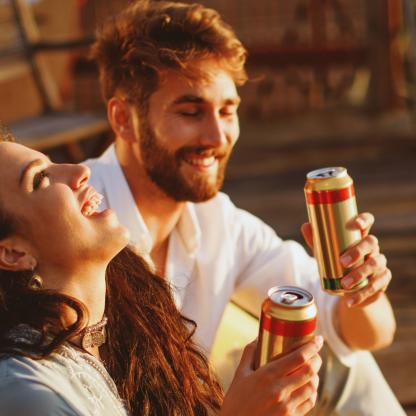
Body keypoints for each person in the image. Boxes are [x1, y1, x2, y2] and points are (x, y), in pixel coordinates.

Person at [85, 1, 404, 414]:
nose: (217, 136)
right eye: (190, 111)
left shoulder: (218, 221)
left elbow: (366, 335)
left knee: (339, 365)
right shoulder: (73, 219)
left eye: (227, 110)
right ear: (124, 119)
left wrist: (362, 290)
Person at [0, 130, 324, 415]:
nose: (79, 171)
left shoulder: (129, 324)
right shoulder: (29, 397)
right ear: (13, 252)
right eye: (41, 179)